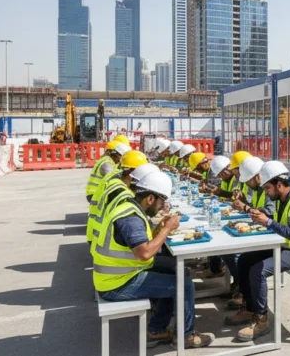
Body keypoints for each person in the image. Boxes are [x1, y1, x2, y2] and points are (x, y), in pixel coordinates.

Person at [94, 170, 214, 349]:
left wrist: (159, 229)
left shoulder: (130, 207)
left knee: (178, 270)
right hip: (117, 283)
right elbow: (144, 253)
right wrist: (167, 229)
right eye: (161, 202)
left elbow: (138, 243)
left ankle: (156, 329)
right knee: (184, 285)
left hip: (123, 272)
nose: (162, 206)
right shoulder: (130, 218)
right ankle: (186, 336)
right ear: (150, 198)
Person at [225, 161, 290, 343]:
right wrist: (261, 218)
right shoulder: (282, 199)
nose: (266, 192)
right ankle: (249, 307)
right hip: (284, 246)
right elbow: (280, 221)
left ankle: (261, 319)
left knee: (258, 271)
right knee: (244, 260)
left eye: (267, 188)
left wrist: (268, 222)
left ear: (279, 184)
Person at [224, 155, 275, 309]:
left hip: (271, 236)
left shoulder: (269, 189)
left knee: (244, 260)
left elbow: (269, 213)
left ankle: (248, 299)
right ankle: (242, 290)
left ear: (257, 176)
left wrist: (246, 207)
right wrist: (245, 203)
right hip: (260, 230)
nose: (246, 184)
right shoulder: (258, 189)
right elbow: (256, 208)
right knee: (231, 254)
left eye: (248, 181)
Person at [87, 149, 149, 244]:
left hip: (97, 233)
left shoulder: (114, 177)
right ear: (132, 172)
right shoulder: (119, 191)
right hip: (105, 240)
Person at [85, 139, 131, 204]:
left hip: (98, 192)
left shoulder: (111, 162)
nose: (120, 160)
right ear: (115, 154)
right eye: (120, 157)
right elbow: (113, 178)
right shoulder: (106, 163)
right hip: (95, 193)